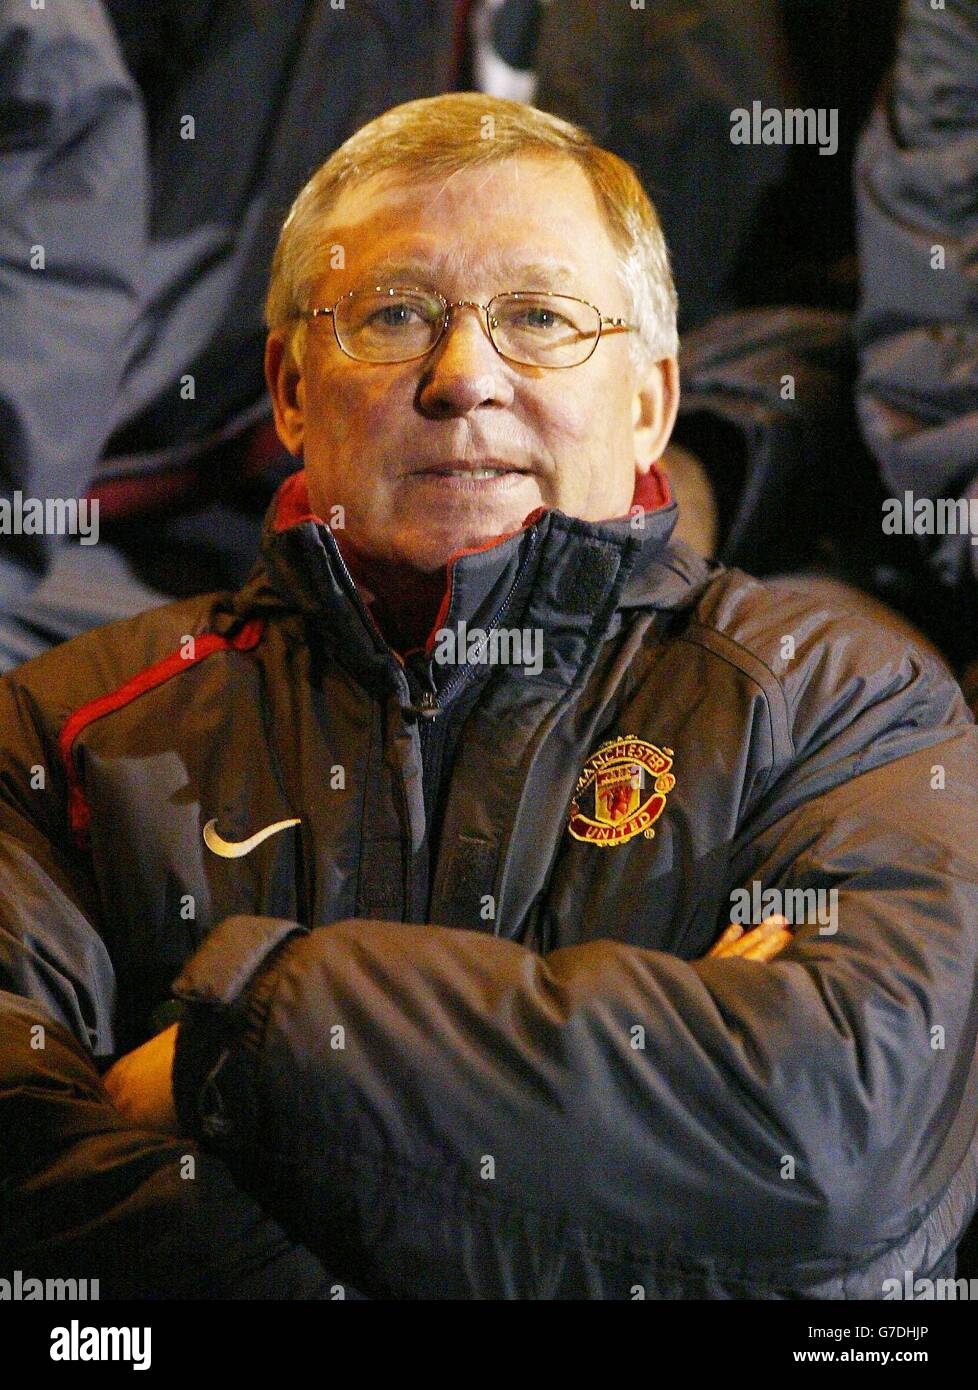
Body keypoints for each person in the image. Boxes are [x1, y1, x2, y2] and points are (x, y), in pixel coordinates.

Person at [2, 92, 978, 1300]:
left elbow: (837, 1158)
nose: (463, 375)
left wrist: (241, 1046)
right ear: (291, 390)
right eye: (395, 313)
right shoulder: (63, 733)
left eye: (539, 317)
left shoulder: (845, 704)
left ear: (651, 405)